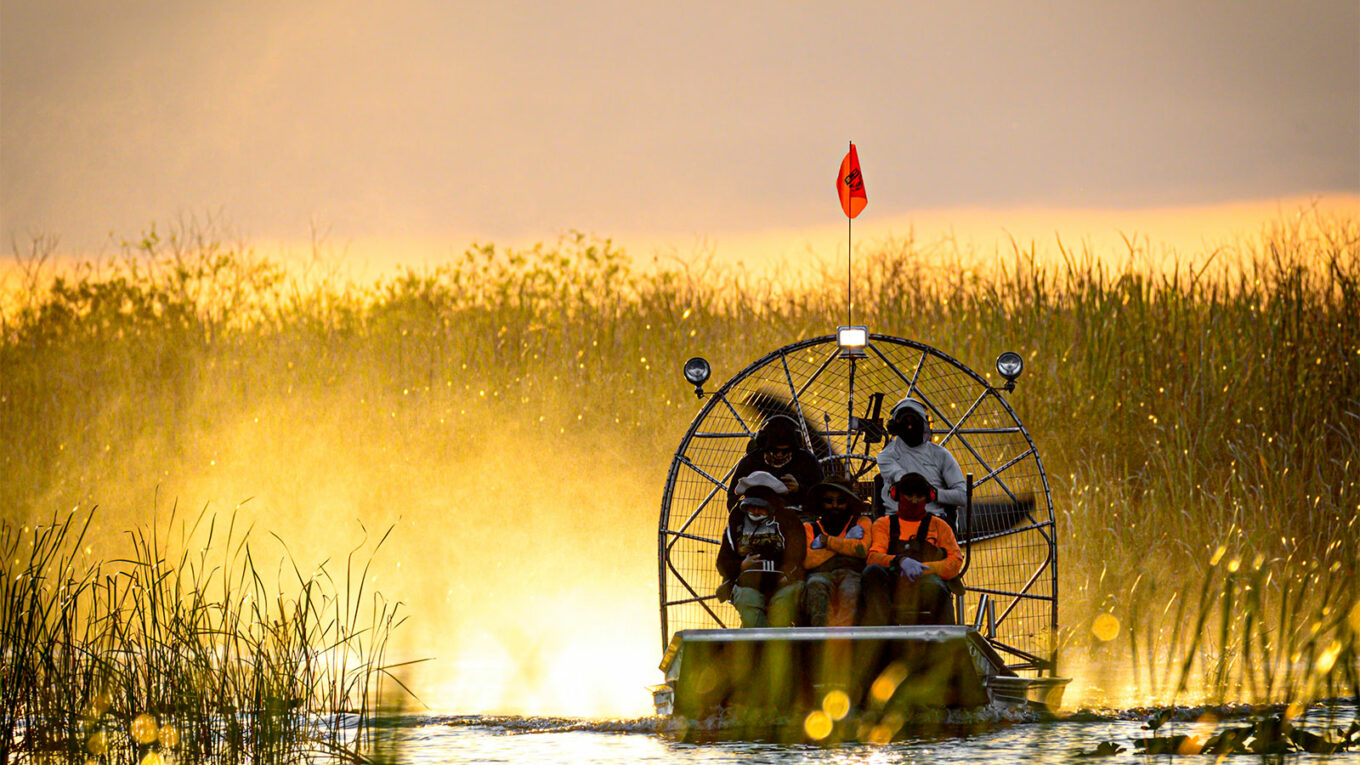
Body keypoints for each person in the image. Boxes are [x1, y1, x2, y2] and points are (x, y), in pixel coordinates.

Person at [861, 472, 963, 626]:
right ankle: (880, 635)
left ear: (928, 497)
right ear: (897, 495)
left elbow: (955, 562)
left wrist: (925, 569)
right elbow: (873, 557)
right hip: (892, 585)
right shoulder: (883, 524)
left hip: (927, 585)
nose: (914, 501)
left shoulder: (940, 526)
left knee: (936, 588)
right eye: (909, 495)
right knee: (872, 572)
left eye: (919, 496)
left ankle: (947, 642)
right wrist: (900, 561)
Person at [715, 471, 807, 627]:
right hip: (747, 584)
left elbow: (799, 554)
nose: (756, 512)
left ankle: (778, 646)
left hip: (784, 583)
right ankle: (755, 644)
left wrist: (787, 574)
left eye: (761, 508)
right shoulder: (736, 522)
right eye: (752, 507)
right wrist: (741, 566)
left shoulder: (789, 520)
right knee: (750, 612)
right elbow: (723, 561)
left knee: (781, 615)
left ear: (771, 506)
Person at [876, 397, 966, 524]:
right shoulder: (886, 456)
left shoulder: (941, 455)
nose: (910, 427)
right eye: (905, 423)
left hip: (934, 522)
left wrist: (935, 494)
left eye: (914, 422)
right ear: (895, 427)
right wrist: (925, 491)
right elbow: (905, 480)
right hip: (896, 521)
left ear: (924, 424)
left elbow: (963, 497)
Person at [801, 476, 872, 627]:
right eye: (829, 501)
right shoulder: (809, 527)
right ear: (821, 502)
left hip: (852, 573)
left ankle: (844, 642)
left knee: (851, 590)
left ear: (849, 503)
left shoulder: (862, 522)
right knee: (815, 585)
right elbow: (808, 561)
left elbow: (861, 550)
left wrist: (826, 542)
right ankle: (821, 642)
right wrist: (846, 541)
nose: (835, 505)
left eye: (841, 501)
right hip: (820, 574)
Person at [727, 415, 823, 512]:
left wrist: (799, 489)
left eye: (785, 451)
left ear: (793, 448)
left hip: (796, 517)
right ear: (765, 447)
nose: (780, 455)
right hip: (758, 517)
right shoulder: (751, 461)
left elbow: (821, 496)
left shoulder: (807, 461)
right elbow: (732, 497)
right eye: (774, 450)